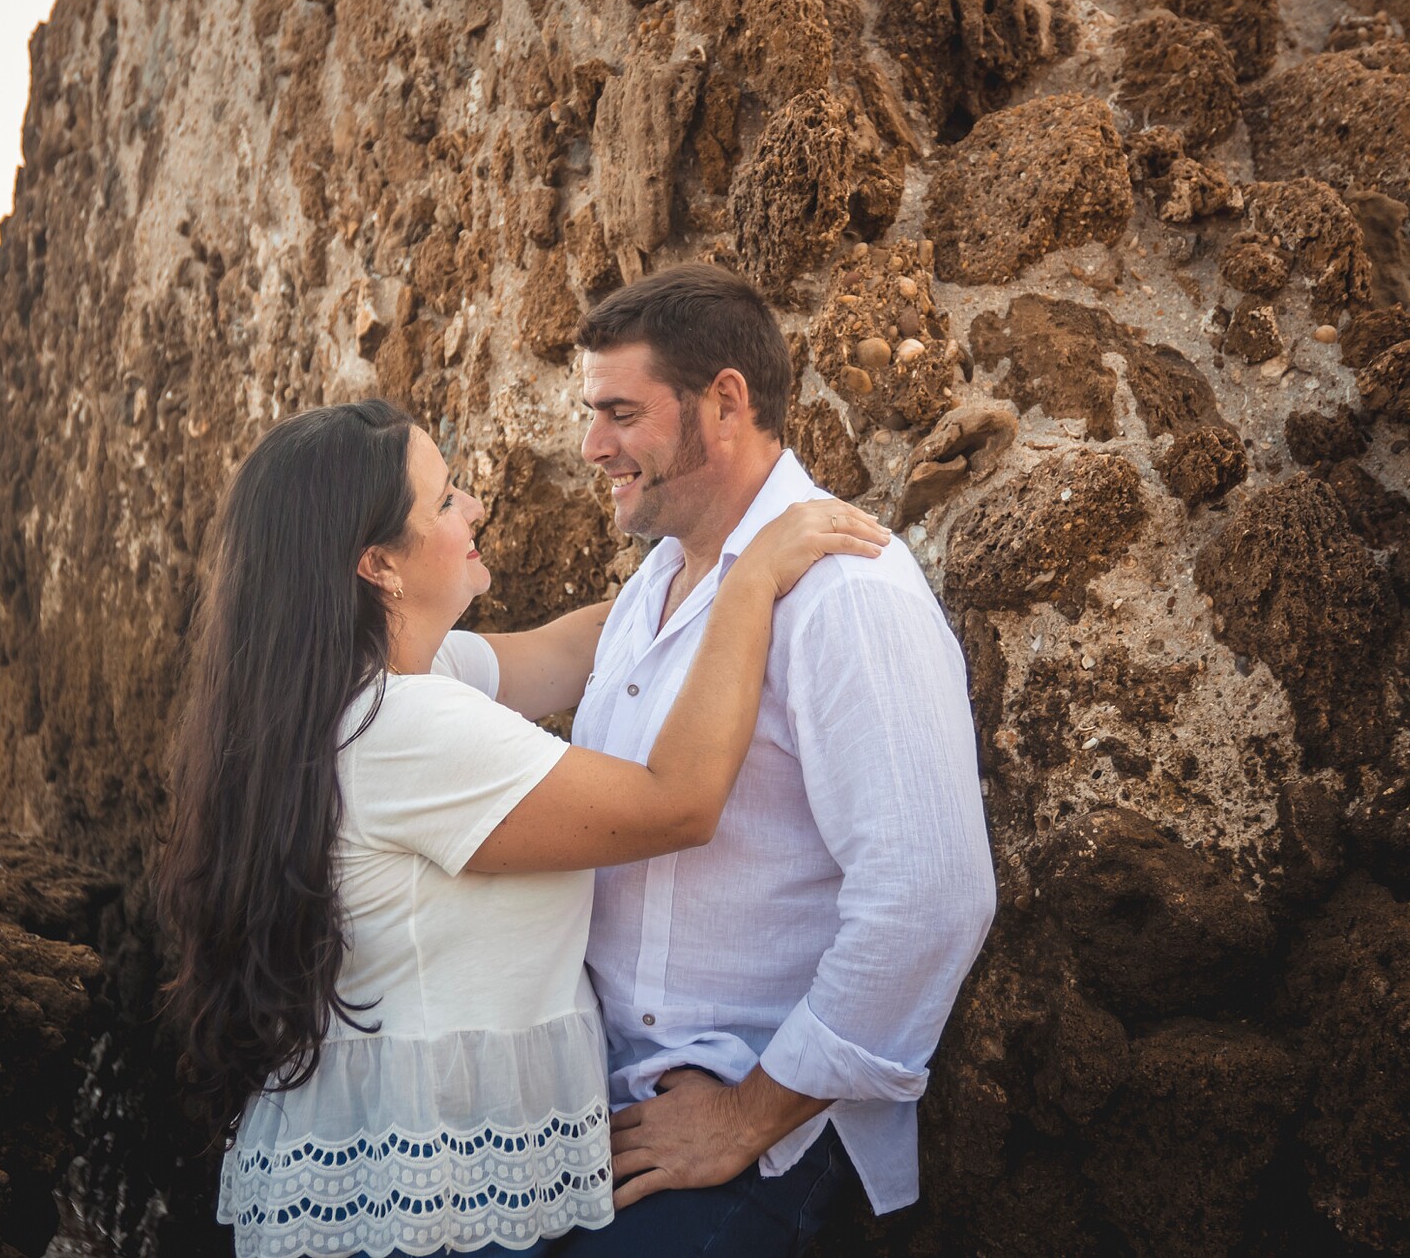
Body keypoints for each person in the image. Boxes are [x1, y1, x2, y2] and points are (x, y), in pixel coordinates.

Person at [152, 398, 889, 1258]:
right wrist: (755, 580)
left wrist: (700, 562)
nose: (475, 507)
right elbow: (677, 801)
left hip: (417, 1169)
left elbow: (580, 648)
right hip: (422, 1201)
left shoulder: (364, 684)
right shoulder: (408, 725)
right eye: (444, 500)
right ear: (378, 564)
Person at [555, 264, 999, 1256]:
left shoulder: (849, 595)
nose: (592, 447)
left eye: (618, 413)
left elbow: (931, 895)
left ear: (723, 402)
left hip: (759, 1133)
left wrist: (746, 1117)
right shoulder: (652, 589)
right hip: (614, 1104)